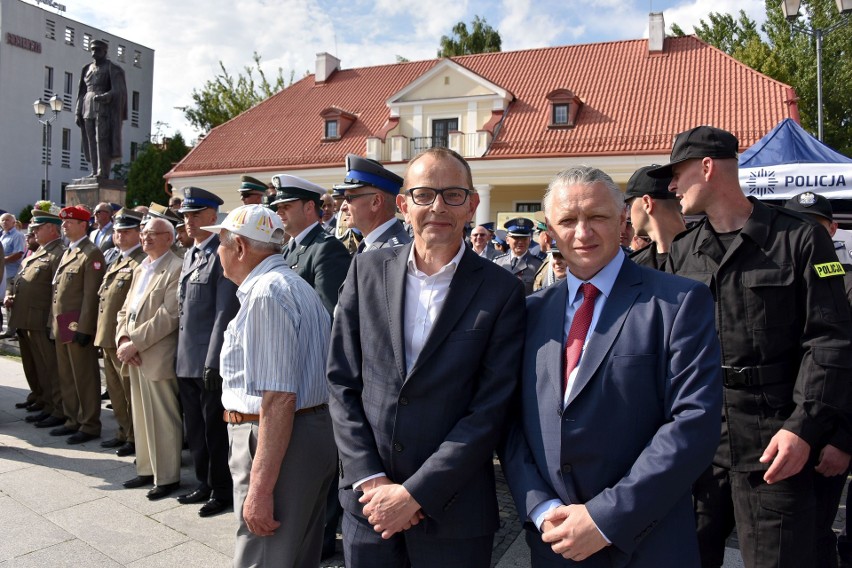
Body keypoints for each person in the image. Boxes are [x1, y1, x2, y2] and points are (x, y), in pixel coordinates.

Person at [650, 126, 852, 568]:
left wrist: (804, 428)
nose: (671, 186)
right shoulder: (684, 251)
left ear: (706, 167)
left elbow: (830, 342)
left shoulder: (799, 239)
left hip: (774, 440)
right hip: (701, 439)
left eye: (677, 174)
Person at [501, 165, 722, 566]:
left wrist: (604, 519)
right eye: (568, 220)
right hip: (553, 540)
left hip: (645, 542)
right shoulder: (528, 312)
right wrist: (539, 506)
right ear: (549, 231)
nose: (583, 232)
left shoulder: (678, 303)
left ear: (622, 221)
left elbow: (694, 422)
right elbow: (511, 421)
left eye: (597, 217)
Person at [327, 147, 525, 567]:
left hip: (454, 511)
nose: (438, 207)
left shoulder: (502, 291)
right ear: (403, 205)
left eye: (453, 194)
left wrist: (416, 493)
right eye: (424, 194)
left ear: (472, 205)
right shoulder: (366, 271)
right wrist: (372, 479)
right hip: (369, 505)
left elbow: (490, 409)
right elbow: (342, 382)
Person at [202, 205, 336, 568]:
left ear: (241, 248)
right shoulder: (292, 285)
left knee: (263, 555)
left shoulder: (266, 294)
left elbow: (277, 399)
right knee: (294, 555)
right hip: (301, 434)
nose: (218, 252)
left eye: (222, 243)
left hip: (274, 438)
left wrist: (259, 490)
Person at [782, 191, 852, 568]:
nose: (809, 234)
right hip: (785, 432)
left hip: (829, 440)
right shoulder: (782, 281)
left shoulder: (848, 280)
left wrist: (845, 440)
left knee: (815, 537)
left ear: (833, 228)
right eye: (800, 225)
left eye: (817, 226)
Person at [175, 186, 240, 518]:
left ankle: (221, 489)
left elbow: (223, 311)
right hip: (186, 357)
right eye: (185, 215)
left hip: (207, 361)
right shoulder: (192, 253)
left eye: (195, 215)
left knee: (214, 429)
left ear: (213, 216)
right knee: (195, 428)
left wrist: (213, 360)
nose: (188, 221)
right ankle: (203, 481)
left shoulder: (221, 252)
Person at [116, 218, 184, 499]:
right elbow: (125, 309)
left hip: (156, 353)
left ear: (169, 238)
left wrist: (135, 343)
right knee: (141, 415)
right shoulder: (140, 267)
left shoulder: (175, 267)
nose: (145, 238)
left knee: (163, 417)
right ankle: (146, 468)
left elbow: (168, 316)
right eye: (143, 234)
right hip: (134, 353)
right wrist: (121, 338)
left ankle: (167, 476)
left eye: (152, 234)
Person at [50, 206, 106, 445]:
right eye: (63, 223)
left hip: (75, 323)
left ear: (83, 225)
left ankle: (90, 424)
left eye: (69, 222)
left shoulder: (90, 253)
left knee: (84, 375)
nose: (64, 226)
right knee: (67, 375)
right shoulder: (70, 251)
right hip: (62, 321)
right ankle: (72, 419)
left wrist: (84, 328)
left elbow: (90, 295)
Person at [5, 211, 64, 426]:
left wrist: (53, 323)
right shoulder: (38, 251)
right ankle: (40, 398)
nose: (33, 231)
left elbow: (59, 292)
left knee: (49, 367)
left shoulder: (58, 254)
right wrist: (10, 294)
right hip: (25, 317)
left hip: (41, 320)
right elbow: (18, 279)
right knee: (34, 365)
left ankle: (54, 407)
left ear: (52, 228)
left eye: (38, 228)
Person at [95, 209, 146, 457]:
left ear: (139, 233)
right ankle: (123, 431)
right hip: (107, 335)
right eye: (117, 231)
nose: (120, 236)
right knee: (114, 390)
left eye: (126, 231)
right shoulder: (117, 258)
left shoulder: (140, 261)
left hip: (123, 337)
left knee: (128, 391)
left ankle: (135, 437)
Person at [272, 174, 351, 316]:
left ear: (309, 207)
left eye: (286, 206)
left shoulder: (327, 248)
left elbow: (329, 315)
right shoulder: (284, 250)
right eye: (278, 207)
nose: (279, 212)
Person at [75, 39, 127, 179]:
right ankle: (93, 170)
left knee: (101, 139)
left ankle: (102, 172)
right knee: (90, 139)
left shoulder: (112, 68)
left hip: (103, 108)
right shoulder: (86, 68)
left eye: (97, 50)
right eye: (92, 49)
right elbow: (81, 92)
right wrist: (77, 110)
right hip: (87, 106)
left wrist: (105, 97)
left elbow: (119, 91)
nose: (94, 53)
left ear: (105, 51)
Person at [337, 153, 410, 252]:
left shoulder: (392, 252)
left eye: (349, 198)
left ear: (376, 202)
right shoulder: (369, 244)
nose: (343, 208)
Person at [624, 165, 685, 270]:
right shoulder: (633, 265)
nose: (628, 215)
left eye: (630, 205)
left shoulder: (634, 267)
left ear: (647, 203)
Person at [494, 217, 543, 296]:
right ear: (507, 240)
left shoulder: (538, 265)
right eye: (516, 237)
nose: (520, 242)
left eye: (524, 238)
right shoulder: (498, 262)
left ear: (529, 239)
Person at [1, 213, 24, 338]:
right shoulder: (2, 235)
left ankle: (12, 330)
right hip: (3, 273)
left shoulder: (17, 235)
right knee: (5, 302)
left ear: (14, 222)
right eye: (3, 220)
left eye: (8, 220)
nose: (5, 222)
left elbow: (19, 253)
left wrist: (2, 260)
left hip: (12, 273)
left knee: (10, 301)